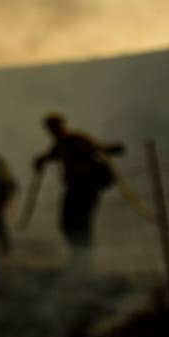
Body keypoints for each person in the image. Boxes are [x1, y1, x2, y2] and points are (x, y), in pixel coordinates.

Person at [33, 113, 125, 266]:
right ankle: (77, 257)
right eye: (50, 129)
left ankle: (84, 260)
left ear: (62, 126)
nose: (53, 131)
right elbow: (50, 155)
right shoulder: (61, 144)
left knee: (81, 222)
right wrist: (40, 160)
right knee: (68, 222)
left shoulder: (76, 139)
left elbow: (98, 147)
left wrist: (111, 149)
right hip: (75, 186)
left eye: (55, 127)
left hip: (87, 186)